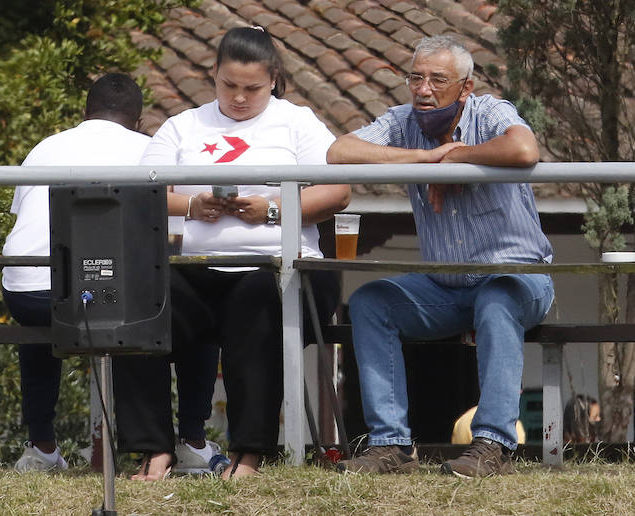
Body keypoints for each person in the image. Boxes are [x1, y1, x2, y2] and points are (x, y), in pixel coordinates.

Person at [114, 27, 349, 480]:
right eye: (229, 86)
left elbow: (338, 192)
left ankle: (250, 451)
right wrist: (193, 206)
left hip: (283, 269)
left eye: (253, 89)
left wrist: (274, 211)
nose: (240, 98)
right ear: (214, 76)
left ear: (274, 79)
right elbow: (138, 194)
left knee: (257, 296)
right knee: (138, 297)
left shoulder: (297, 122)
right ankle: (154, 448)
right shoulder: (184, 125)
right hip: (200, 271)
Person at [330, 34, 552, 478]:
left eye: (437, 79)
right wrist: (427, 160)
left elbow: (525, 149)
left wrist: (460, 158)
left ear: (465, 87)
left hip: (519, 278)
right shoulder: (403, 120)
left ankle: (492, 445)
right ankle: (390, 446)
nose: (423, 89)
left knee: (497, 298)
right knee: (372, 302)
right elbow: (339, 152)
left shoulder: (490, 111)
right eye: (415, 78)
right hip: (445, 287)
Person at [1, 72, 223, 475]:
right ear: (139, 121)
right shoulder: (149, 150)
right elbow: (170, 238)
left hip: (25, 293)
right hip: (103, 299)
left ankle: (41, 448)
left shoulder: (45, 147)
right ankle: (191, 440)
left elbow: (26, 222)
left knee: (52, 304)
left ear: (85, 114)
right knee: (200, 314)